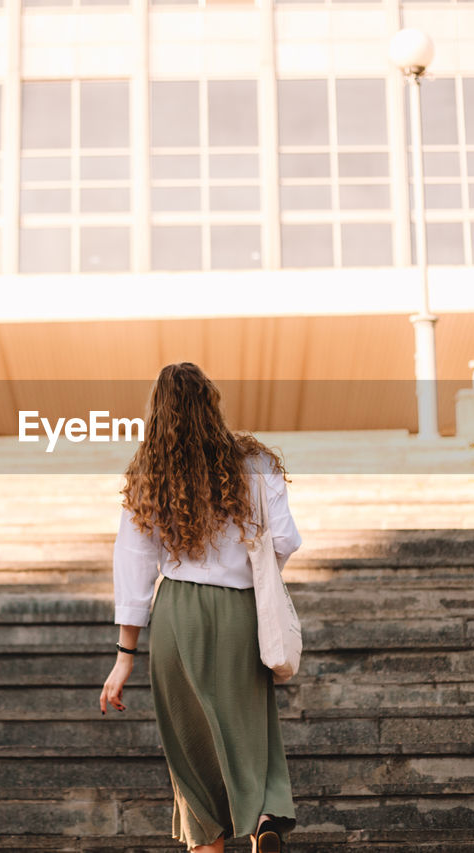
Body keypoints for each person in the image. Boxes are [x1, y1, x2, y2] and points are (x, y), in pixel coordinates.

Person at [98, 362, 301, 853]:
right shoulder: (256, 464)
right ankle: (264, 815)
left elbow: (134, 563)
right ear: (213, 406)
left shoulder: (151, 472)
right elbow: (286, 541)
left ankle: (208, 839)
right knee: (248, 727)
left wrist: (124, 655)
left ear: (159, 414)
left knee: (191, 751)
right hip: (240, 613)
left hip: (177, 617)